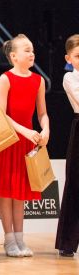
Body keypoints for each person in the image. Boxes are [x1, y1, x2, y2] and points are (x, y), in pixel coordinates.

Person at [0, 34, 50, 257]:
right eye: (26, 50)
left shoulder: (38, 80)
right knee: (6, 192)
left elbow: (42, 113)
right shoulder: (5, 79)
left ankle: (20, 239)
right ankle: (9, 240)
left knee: (20, 193)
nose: (32, 53)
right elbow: (1, 113)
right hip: (8, 141)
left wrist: (46, 129)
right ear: (13, 56)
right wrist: (25, 131)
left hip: (27, 143)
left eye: (32, 50)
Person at [56, 34, 79, 258]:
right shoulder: (70, 78)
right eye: (78, 56)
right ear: (68, 58)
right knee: (74, 185)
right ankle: (68, 242)